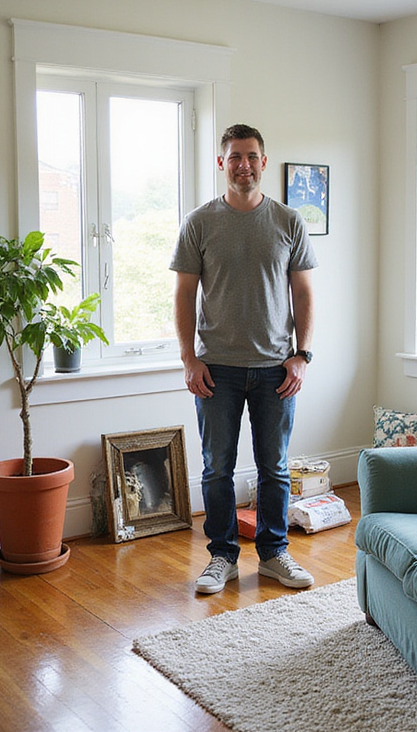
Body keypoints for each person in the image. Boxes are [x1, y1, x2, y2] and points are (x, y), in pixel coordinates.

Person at [171, 124, 317, 594]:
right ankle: (222, 558)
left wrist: (302, 356)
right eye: (235, 156)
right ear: (222, 163)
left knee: (274, 466)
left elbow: (303, 292)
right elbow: (184, 294)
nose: (244, 165)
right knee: (217, 468)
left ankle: (275, 555)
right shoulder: (199, 222)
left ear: (264, 162)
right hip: (217, 370)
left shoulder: (288, 221)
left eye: (252, 156)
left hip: (277, 368)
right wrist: (189, 358)